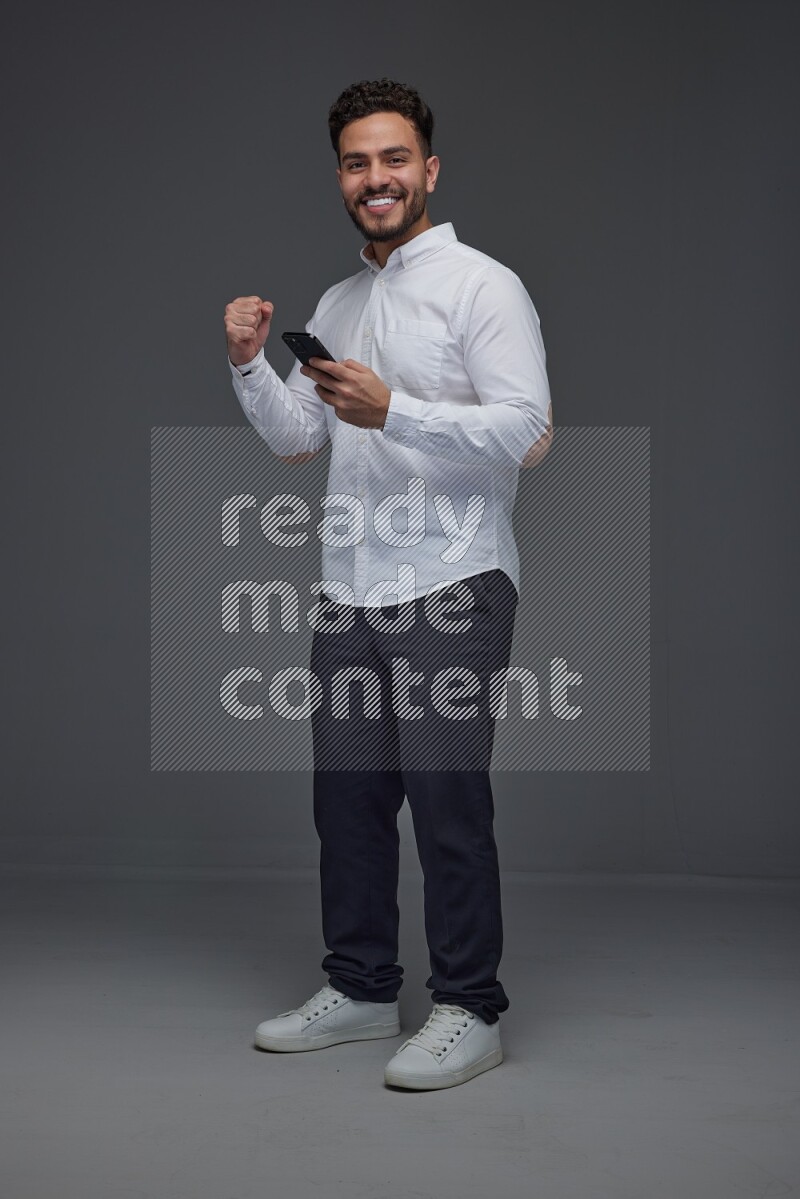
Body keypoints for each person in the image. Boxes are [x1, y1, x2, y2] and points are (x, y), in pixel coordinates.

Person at [224, 78, 553, 1091]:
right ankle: (363, 987)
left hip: (452, 579)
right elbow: (297, 441)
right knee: (350, 800)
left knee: (445, 798)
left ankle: (469, 1006)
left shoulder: (480, 285)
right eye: (358, 163)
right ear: (341, 177)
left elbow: (528, 431)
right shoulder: (337, 302)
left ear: (428, 169)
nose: (377, 178)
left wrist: (395, 408)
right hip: (351, 589)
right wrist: (245, 363)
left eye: (394, 158)